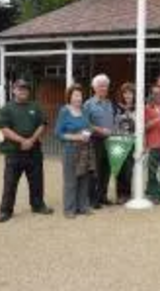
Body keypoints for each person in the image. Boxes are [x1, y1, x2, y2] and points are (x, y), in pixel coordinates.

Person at [0, 79, 54, 223]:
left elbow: (42, 124)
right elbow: (4, 128)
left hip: (33, 151)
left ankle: (38, 205)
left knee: (37, 181)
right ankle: (5, 211)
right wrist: (22, 141)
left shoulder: (35, 106)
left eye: (25, 89)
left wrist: (32, 140)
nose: (23, 91)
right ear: (14, 90)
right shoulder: (7, 108)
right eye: (20, 89)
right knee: (10, 182)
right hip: (14, 152)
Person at [55, 84, 95, 218]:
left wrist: (88, 133)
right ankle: (69, 209)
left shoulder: (84, 111)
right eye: (75, 95)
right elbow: (58, 133)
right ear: (70, 97)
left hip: (84, 149)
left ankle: (83, 206)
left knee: (84, 178)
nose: (78, 98)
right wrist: (77, 137)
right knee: (71, 180)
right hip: (70, 149)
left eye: (80, 95)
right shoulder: (64, 111)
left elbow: (89, 127)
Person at [84, 74, 115, 209]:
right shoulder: (88, 104)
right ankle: (92, 199)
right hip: (94, 141)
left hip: (109, 141)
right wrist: (100, 130)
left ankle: (103, 196)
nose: (103, 88)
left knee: (106, 170)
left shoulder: (109, 103)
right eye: (100, 86)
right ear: (94, 88)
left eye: (105, 86)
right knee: (94, 171)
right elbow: (84, 123)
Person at [113, 82, 136, 205]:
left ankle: (127, 193)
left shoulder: (137, 108)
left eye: (130, 93)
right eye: (125, 93)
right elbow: (114, 124)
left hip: (132, 142)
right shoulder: (117, 108)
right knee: (119, 168)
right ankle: (120, 194)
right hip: (118, 141)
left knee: (129, 169)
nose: (128, 95)